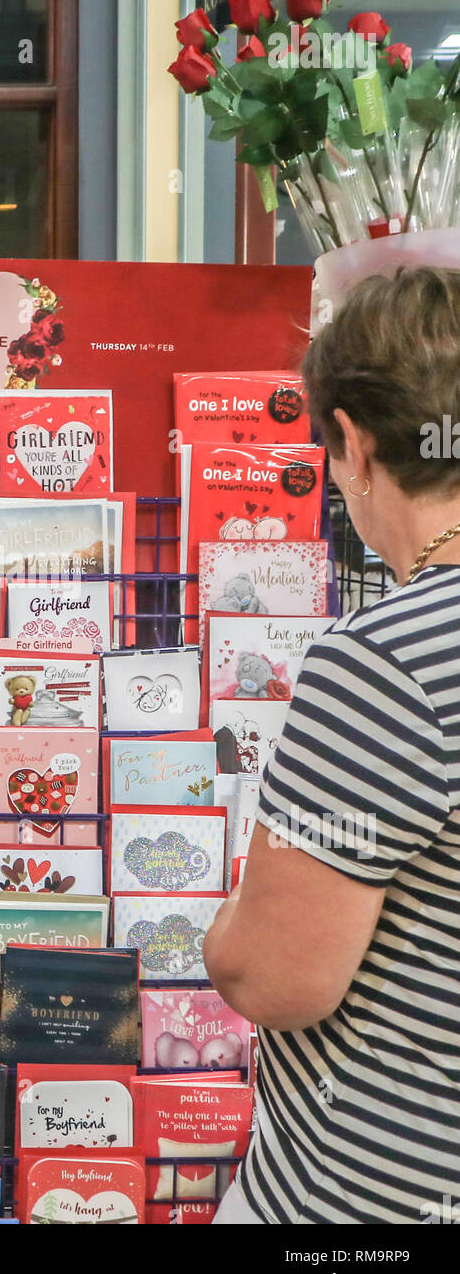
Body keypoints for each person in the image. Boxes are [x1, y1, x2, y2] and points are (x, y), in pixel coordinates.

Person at [205, 266, 460, 1224]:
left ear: (353, 442)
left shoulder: (387, 658)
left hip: (377, 1201)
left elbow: (277, 976)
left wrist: (223, 930)